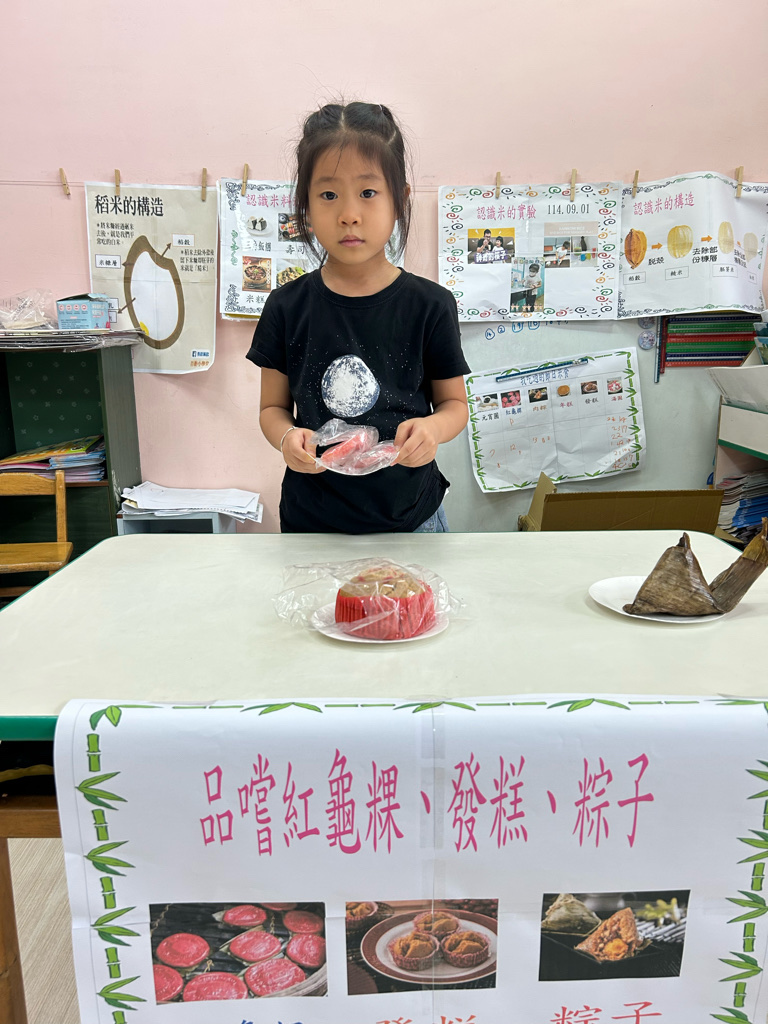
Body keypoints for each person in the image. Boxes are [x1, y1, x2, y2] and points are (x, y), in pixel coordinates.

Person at [246, 101, 470, 533]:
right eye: (328, 195)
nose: (349, 214)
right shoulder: (286, 306)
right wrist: (286, 437)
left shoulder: (431, 305)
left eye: (368, 192)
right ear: (305, 207)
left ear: (400, 200)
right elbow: (272, 408)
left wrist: (433, 429)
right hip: (312, 524)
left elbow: (454, 405)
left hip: (412, 520)